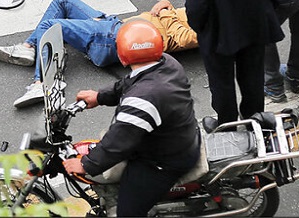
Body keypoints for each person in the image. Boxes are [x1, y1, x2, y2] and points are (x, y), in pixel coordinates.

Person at [61, 20, 200, 217]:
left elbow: (119, 142)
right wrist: (99, 96)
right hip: (180, 136)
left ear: (123, 55)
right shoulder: (166, 62)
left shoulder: (143, 100)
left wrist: (86, 164)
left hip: (163, 160)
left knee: (127, 213)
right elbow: (129, 83)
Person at [0, 0, 199, 108]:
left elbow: (184, 38)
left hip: (112, 38)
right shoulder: (210, 6)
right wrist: (167, 5)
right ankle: (29, 48)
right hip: (115, 25)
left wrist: (165, 11)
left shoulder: (217, 25)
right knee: (63, 1)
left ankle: (42, 84)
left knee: (50, 27)